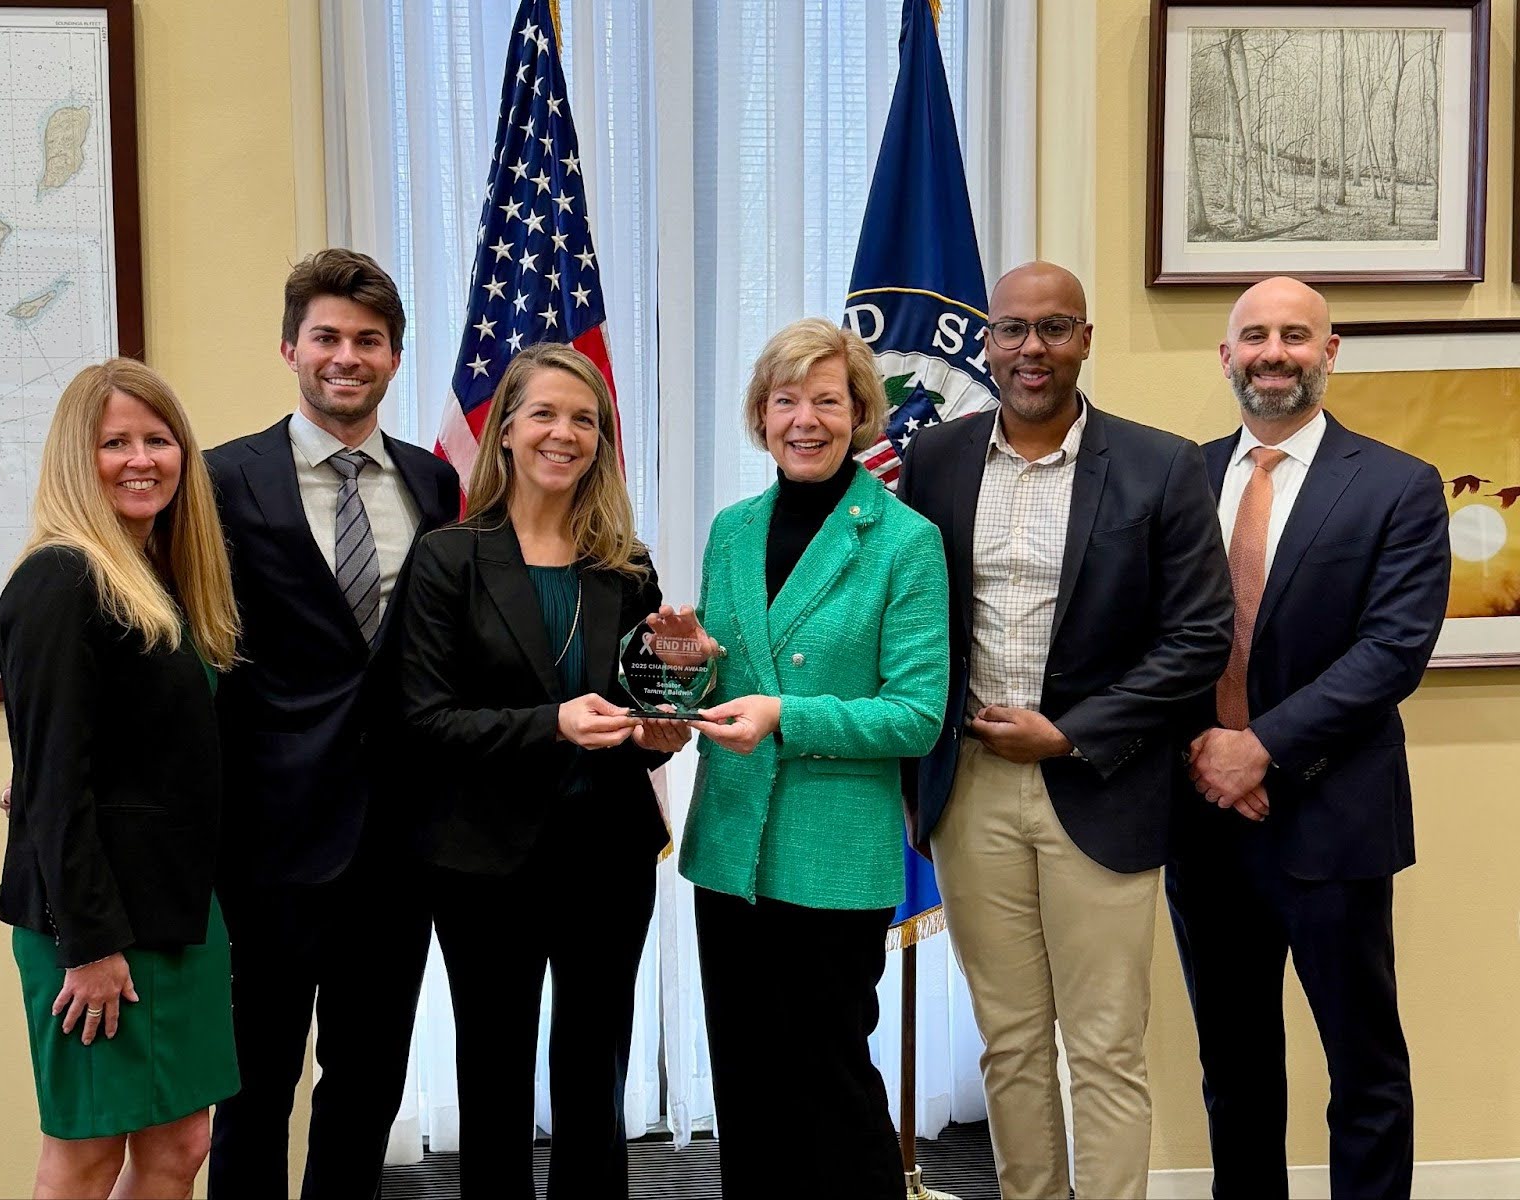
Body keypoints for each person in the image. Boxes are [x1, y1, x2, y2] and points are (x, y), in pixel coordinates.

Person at [897, 261, 1233, 1200]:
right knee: (1009, 1043)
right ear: (988, 343)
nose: (1031, 350)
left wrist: (1071, 733)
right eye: (1012, 330)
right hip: (966, 789)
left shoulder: (1161, 464)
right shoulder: (936, 462)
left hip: (1103, 785)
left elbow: (1200, 636)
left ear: (1086, 338)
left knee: (1105, 1046)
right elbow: (911, 617)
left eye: (1053, 328)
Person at [1167, 277, 1451, 1200]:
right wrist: (1206, 750)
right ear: (1226, 356)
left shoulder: (1398, 486)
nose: (1274, 353)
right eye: (1254, 336)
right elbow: (1149, 637)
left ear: (1331, 352)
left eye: (1297, 335)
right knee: (1235, 1071)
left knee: (1364, 1070)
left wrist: (1262, 747)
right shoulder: (1179, 477)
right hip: (1204, 825)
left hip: (1334, 819)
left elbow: (1393, 651)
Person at [399, 342, 689, 1199]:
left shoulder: (625, 564)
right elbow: (424, 721)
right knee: (493, 1075)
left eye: (585, 420)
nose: (566, 434)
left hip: (608, 851)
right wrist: (551, 724)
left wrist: (666, 728)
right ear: (507, 430)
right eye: (546, 414)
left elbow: (642, 707)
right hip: (483, 860)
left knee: (594, 1074)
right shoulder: (449, 557)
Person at [205, 249, 462, 1197]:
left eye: (368, 340)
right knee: (252, 1091)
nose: (345, 356)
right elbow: (172, 653)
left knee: (366, 1088)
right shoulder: (218, 481)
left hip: (399, 845)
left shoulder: (435, 486)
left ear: (395, 358)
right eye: (327, 337)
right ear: (290, 348)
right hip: (265, 844)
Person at [677, 317, 949, 1198]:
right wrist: (677, 667)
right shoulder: (731, 529)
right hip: (728, 851)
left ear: (862, 413)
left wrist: (784, 713)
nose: (806, 419)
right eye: (785, 399)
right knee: (746, 1085)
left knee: (831, 1084)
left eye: (827, 400)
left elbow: (915, 716)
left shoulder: (906, 541)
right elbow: (719, 681)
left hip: (834, 857)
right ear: (760, 415)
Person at [0, 359, 240, 1199]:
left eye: (158, 439)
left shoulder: (161, 580)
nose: (142, 459)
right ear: (76, 457)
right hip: (99, 931)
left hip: (176, 916)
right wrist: (88, 944)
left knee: (181, 1144)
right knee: (89, 1151)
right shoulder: (59, 580)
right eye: (114, 442)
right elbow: (55, 783)